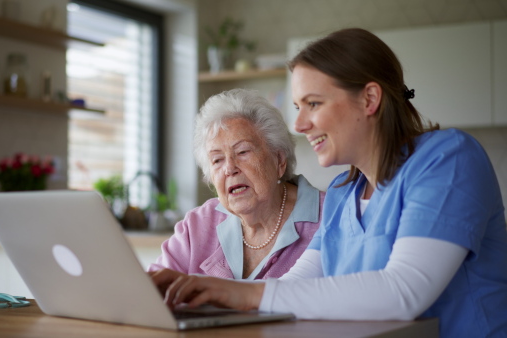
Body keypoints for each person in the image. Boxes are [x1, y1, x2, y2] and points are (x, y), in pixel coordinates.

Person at [150, 28, 507, 337]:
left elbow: (402, 292)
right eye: (297, 107)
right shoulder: (342, 192)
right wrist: (210, 295)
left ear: (369, 99)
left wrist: (236, 293)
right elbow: (294, 288)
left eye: (313, 104)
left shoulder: (448, 159)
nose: (301, 124)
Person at [148, 88, 324, 280]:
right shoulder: (198, 225)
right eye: (217, 160)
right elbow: (150, 290)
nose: (229, 168)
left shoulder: (331, 216)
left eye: (243, 152)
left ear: (279, 160)